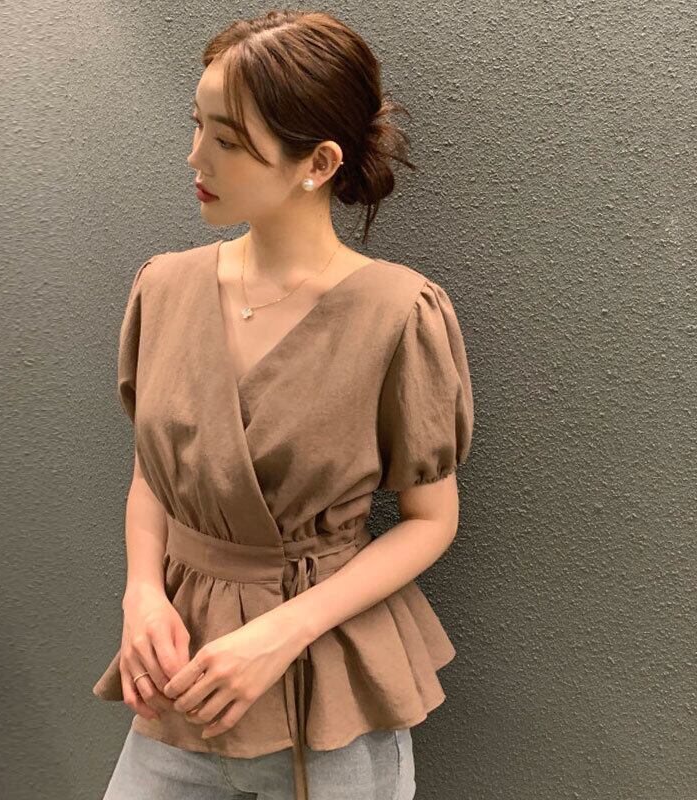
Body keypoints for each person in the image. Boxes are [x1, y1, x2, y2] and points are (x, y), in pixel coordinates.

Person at [92, 9, 475, 800]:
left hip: (329, 697)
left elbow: (431, 519)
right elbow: (155, 474)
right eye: (197, 125)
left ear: (320, 162)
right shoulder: (164, 288)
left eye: (228, 140)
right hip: (179, 686)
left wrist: (282, 632)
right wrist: (142, 593)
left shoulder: (398, 314)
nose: (195, 156)